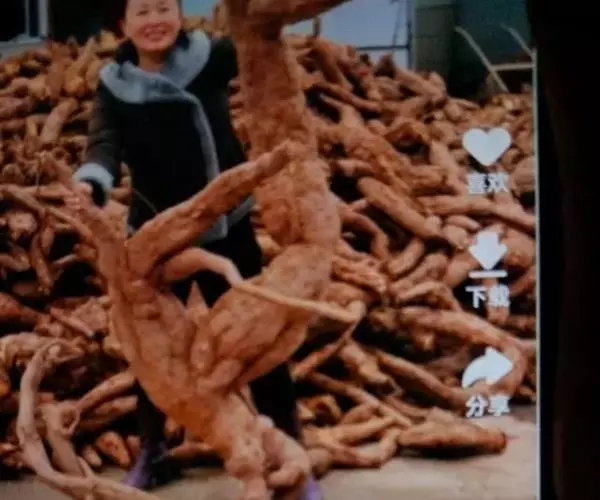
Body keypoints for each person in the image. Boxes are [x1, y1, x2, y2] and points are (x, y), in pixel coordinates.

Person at [71, 1, 322, 499]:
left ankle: (293, 453)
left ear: (181, 14)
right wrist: (91, 182)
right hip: (157, 236)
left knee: (259, 339)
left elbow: (260, 57)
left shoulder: (212, 57)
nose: (154, 21)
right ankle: (152, 450)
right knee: (154, 351)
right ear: (123, 25)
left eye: (164, 7)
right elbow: (104, 142)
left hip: (227, 226)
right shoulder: (116, 84)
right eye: (142, 12)